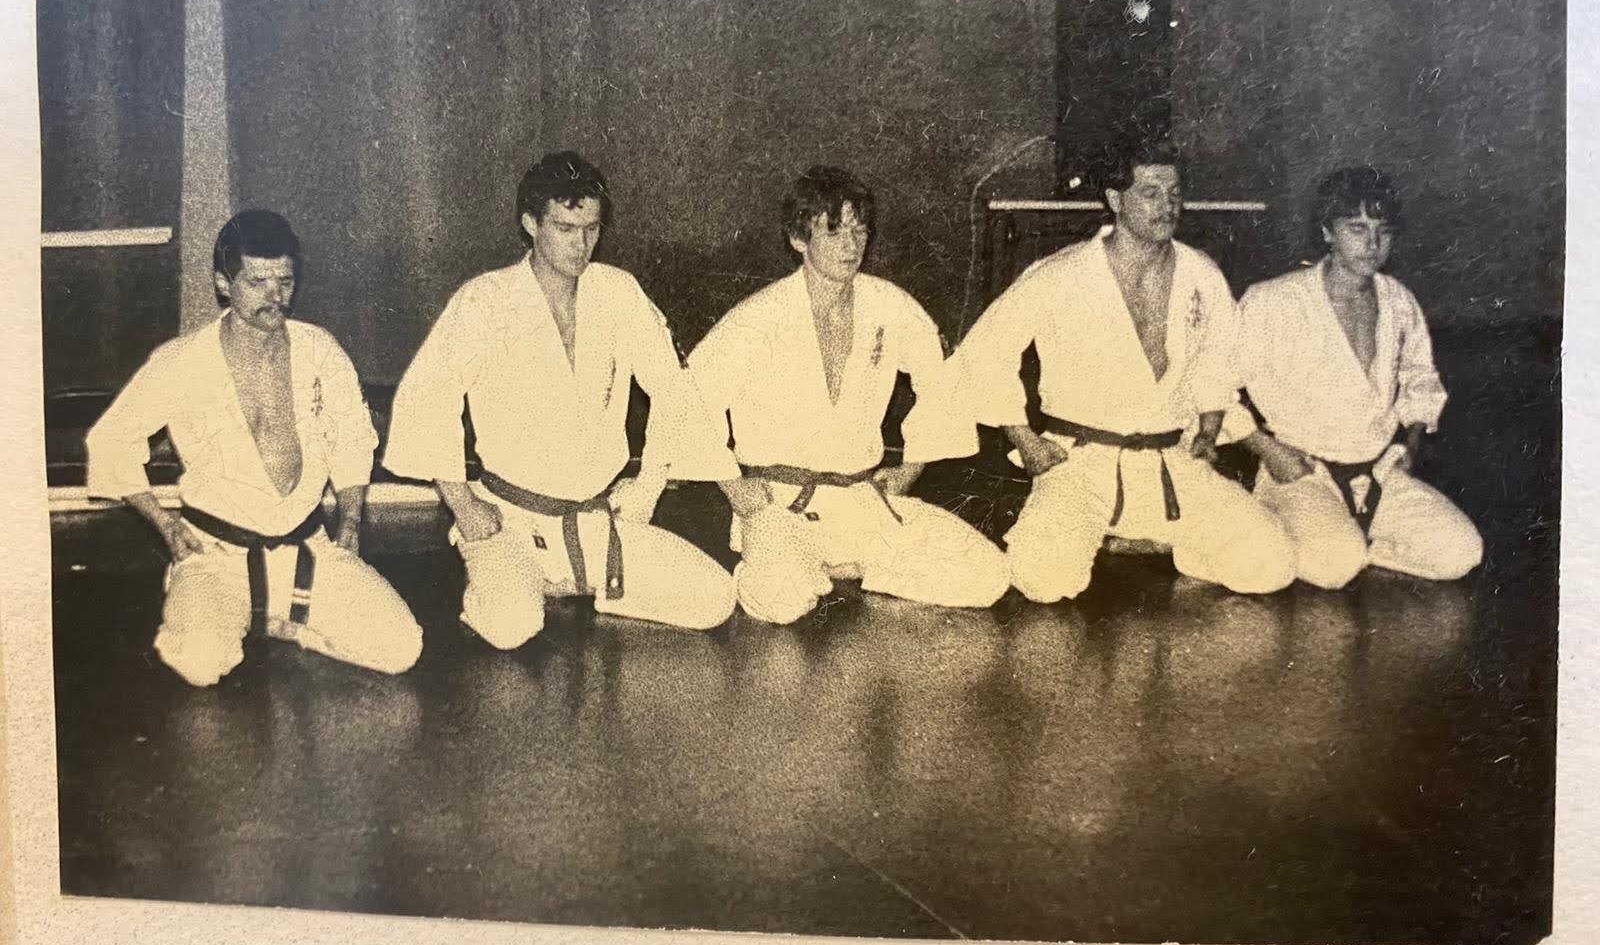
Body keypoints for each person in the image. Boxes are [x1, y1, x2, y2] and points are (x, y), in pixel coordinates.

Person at [383, 151, 739, 648]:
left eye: (591, 229)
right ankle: (511, 575)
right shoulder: (487, 300)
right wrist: (463, 505)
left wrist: (649, 485)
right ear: (530, 224)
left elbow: (673, 388)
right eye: (565, 229)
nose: (581, 244)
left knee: (714, 598)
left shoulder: (618, 292)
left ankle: (573, 580)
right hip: (511, 517)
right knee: (510, 625)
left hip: (595, 518)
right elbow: (428, 398)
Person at [85, 210, 424, 687]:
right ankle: (211, 605)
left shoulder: (320, 350)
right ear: (224, 284)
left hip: (307, 550)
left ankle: (284, 623)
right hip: (217, 555)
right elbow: (110, 440)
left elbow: (351, 438)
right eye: (258, 282)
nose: (275, 297)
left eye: (285, 281)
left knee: (400, 647)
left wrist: (349, 521)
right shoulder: (182, 361)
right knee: (200, 664)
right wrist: (166, 526)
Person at [952, 140, 1295, 602]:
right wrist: (1026, 441)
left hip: (1170, 458)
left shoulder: (1201, 274)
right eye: (1150, 193)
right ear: (1115, 200)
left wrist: (1210, 428)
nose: (1167, 206)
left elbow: (1219, 359)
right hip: (1082, 461)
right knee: (1043, 581)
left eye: (1174, 193)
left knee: (1272, 565)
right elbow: (983, 354)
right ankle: (1108, 531)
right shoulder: (1061, 274)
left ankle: (1155, 540)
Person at [688, 166, 1009, 625]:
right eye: (834, 231)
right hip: (781, 504)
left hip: (859, 501)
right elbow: (690, 403)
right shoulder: (757, 318)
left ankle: (842, 567)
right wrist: (737, 490)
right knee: (782, 600)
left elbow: (943, 383)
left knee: (988, 575)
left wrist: (910, 470)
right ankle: (786, 565)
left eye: (860, 231)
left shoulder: (889, 305)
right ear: (799, 238)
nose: (851, 245)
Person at [1236, 167, 1483, 588]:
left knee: (1461, 553)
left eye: (1383, 232)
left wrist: (1410, 442)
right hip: (1301, 472)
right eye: (1356, 228)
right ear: (1327, 232)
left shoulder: (1398, 300)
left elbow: (1421, 379)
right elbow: (1216, 386)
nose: (1372, 244)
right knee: (1334, 567)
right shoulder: (1273, 301)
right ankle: (1293, 523)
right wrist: (1268, 450)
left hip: (1378, 473)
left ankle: (1352, 542)